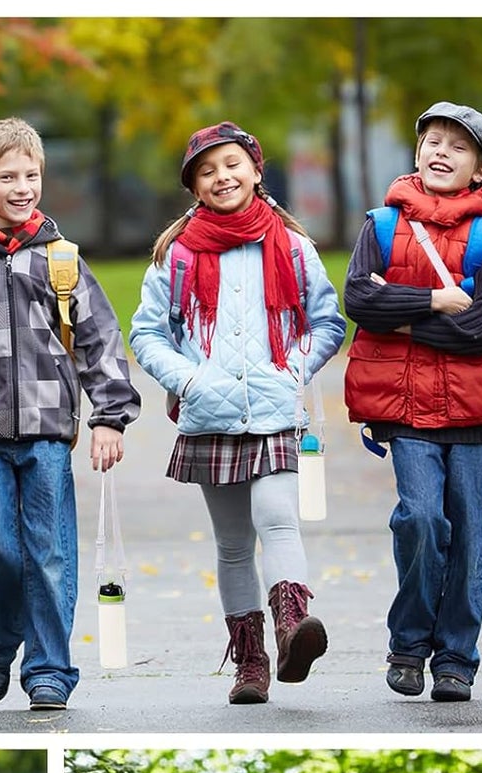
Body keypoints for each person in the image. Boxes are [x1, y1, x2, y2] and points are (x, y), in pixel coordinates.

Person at [0, 116, 140, 712]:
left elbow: (99, 339)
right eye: (7, 176)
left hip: (46, 432)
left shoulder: (61, 260)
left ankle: (49, 670)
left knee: (50, 554)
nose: (21, 187)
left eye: (31, 175)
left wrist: (109, 416)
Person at [130, 123, 345, 705]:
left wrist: (292, 369)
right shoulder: (176, 254)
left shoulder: (292, 246)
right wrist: (189, 379)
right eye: (207, 170)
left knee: (278, 517)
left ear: (255, 169)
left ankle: (291, 627)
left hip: (275, 408)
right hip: (209, 414)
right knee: (231, 543)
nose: (222, 176)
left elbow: (327, 322)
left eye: (231, 164)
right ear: (194, 186)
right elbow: (147, 335)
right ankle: (250, 663)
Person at [342, 101, 482, 704]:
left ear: (480, 171)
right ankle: (409, 644)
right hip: (406, 411)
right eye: (432, 141)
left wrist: (402, 313)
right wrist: (438, 302)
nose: (440, 152)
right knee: (420, 519)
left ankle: (456, 658)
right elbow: (360, 301)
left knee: (470, 541)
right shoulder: (382, 227)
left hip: (474, 415)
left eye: (457, 147)